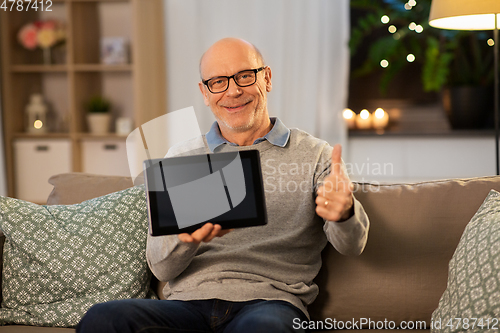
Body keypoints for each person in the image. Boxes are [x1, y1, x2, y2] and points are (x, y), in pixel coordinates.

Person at [77, 38, 370, 333]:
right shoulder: (181, 157)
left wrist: (344, 213)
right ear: (205, 93)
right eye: (218, 81)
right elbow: (161, 268)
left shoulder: (315, 154)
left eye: (244, 76)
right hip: (186, 307)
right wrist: (186, 239)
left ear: (266, 78)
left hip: (270, 303)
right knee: (103, 319)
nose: (233, 91)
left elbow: (352, 245)